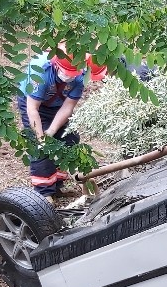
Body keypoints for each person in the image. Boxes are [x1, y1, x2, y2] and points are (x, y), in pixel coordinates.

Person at [15, 48, 106, 200]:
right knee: (40, 147)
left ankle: (58, 185)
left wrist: (52, 130)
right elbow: (32, 109)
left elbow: (68, 107)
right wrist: (42, 136)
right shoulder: (40, 73)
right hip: (33, 103)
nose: (69, 76)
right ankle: (44, 194)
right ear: (56, 66)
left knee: (69, 139)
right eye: (67, 73)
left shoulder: (80, 75)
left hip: (58, 103)